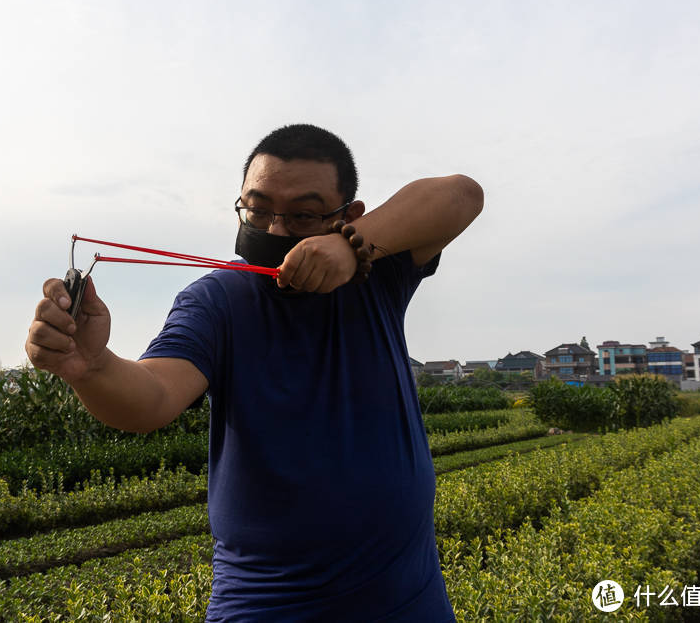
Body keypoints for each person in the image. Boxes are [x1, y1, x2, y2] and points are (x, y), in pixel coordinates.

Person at [26, 123, 483, 621]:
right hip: (266, 604)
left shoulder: (376, 274)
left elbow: (461, 195)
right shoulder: (218, 300)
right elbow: (154, 395)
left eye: (303, 215)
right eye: (258, 209)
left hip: (406, 599)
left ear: (349, 216)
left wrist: (355, 247)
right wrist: (92, 368)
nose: (275, 231)